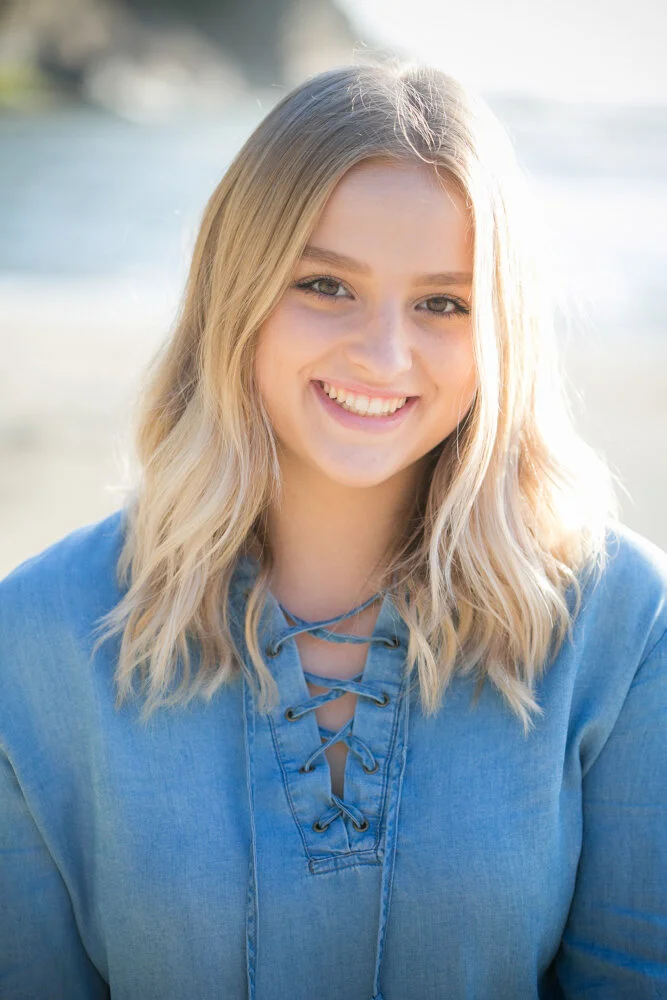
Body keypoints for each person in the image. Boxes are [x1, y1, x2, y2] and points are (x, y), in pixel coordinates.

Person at [0, 61, 665, 1000]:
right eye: (324, 285)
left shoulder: (625, 628)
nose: (384, 355)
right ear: (237, 291)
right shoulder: (33, 639)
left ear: (501, 331)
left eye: (443, 302)